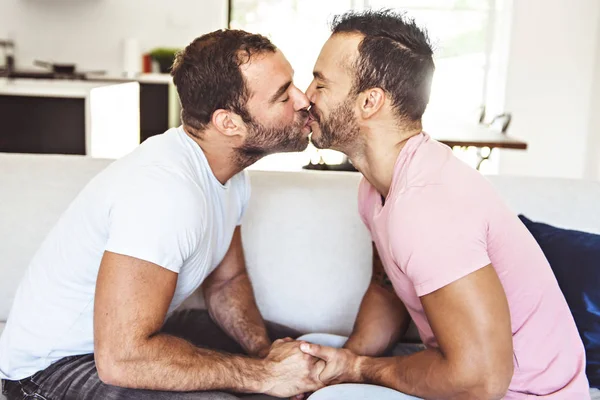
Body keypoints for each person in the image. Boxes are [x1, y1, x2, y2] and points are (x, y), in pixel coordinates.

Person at [0, 29, 325, 400]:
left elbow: (226, 282)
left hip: (129, 342)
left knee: (305, 350)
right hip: (50, 370)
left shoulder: (229, 176)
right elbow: (122, 358)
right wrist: (263, 375)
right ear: (229, 123)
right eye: (283, 94)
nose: (303, 100)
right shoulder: (164, 193)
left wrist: (264, 354)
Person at [300, 9, 590, 399]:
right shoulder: (376, 188)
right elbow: (387, 289)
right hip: (476, 377)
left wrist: (359, 369)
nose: (306, 95)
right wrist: (341, 364)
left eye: (321, 84)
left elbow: (482, 381)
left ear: (370, 101)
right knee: (311, 348)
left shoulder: (428, 204)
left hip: (522, 394)